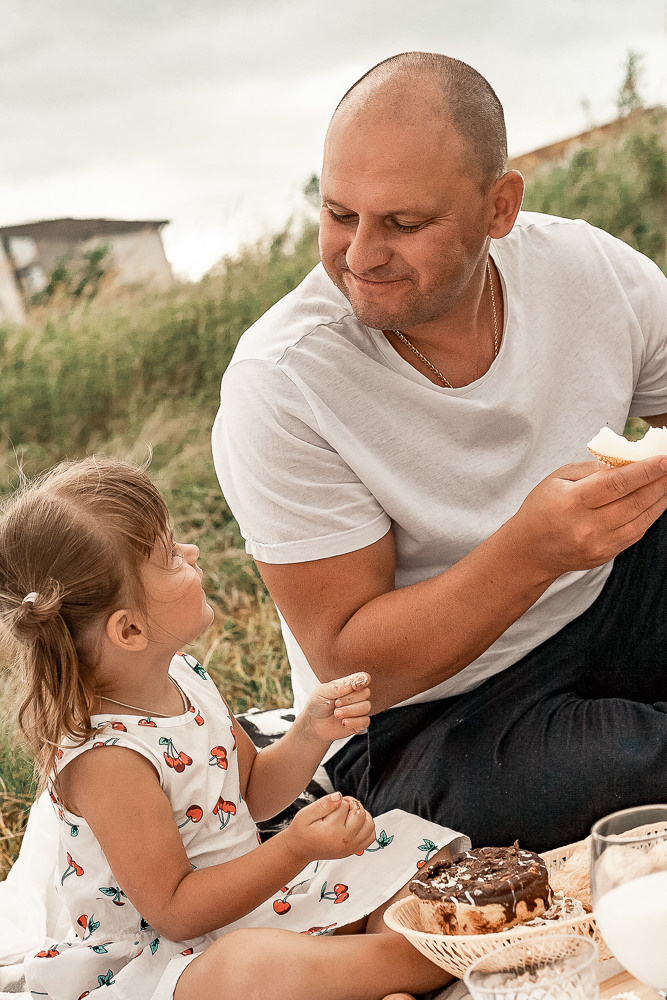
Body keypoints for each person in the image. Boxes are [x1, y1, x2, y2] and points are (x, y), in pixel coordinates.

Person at [212, 51, 667, 853]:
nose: (360, 256)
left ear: (499, 207)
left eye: (404, 224)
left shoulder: (590, 271)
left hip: (605, 599)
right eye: (339, 214)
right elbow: (354, 668)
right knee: (614, 775)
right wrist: (530, 552)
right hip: (428, 713)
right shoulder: (283, 381)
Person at [0, 455, 467, 1000]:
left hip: (256, 906)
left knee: (413, 848)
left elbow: (253, 793)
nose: (192, 553)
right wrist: (294, 849)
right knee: (250, 966)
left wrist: (309, 734)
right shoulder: (108, 760)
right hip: (167, 961)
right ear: (129, 630)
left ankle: (375, 972)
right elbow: (175, 911)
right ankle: (420, 959)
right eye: (170, 557)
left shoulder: (183, 674)